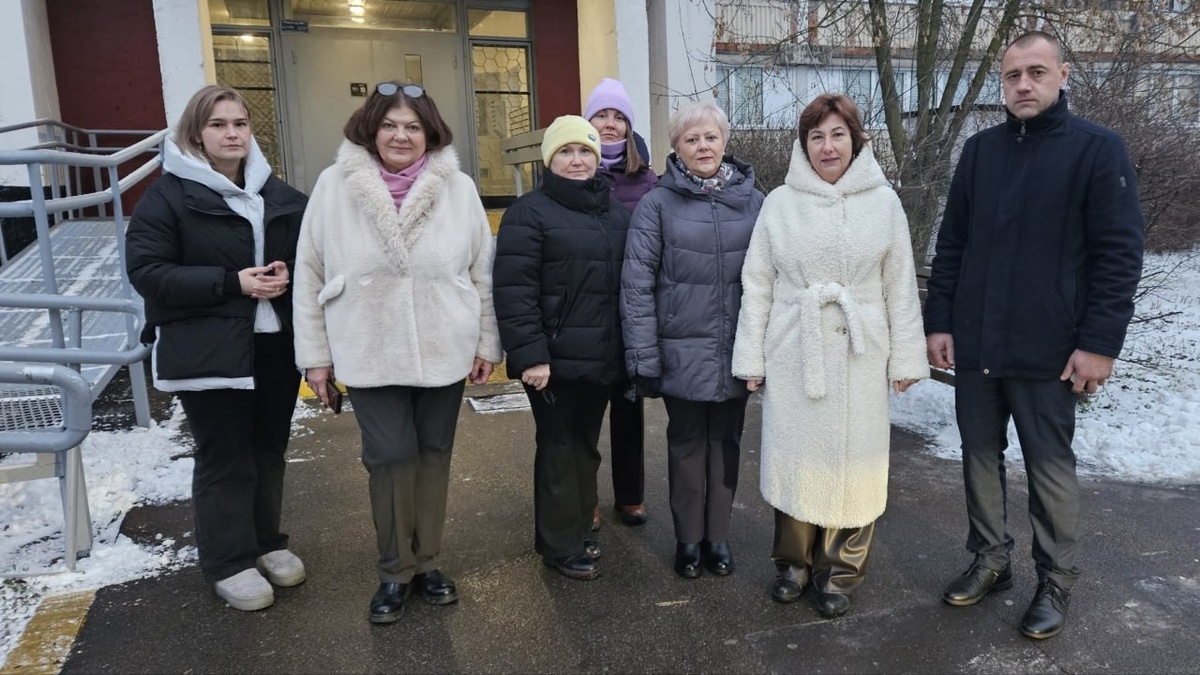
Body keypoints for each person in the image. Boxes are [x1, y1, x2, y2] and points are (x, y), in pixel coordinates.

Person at [925, 31, 1144, 639]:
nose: (1023, 84)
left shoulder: (1097, 150)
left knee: (1049, 467)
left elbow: (1119, 256)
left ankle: (1056, 579)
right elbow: (952, 245)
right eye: (1012, 75)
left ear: (1063, 75)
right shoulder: (980, 153)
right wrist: (939, 320)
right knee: (978, 456)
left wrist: (1099, 343)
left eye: (1036, 72)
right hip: (977, 341)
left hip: (1051, 348)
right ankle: (990, 559)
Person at [292, 82, 501, 624]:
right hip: (368, 344)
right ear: (371, 129)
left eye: (413, 126)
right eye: (389, 125)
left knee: (433, 455)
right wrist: (315, 356)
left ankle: (427, 561)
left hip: (444, 343)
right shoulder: (334, 185)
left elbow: (483, 270)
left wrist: (487, 341)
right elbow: (309, 272)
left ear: (430, 133)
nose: (401, 136)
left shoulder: (458, 187)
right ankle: (394, 569)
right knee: (389, 456)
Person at [730, 93, 928, 618]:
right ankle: (793, 565)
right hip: (796, 350)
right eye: (816, 136)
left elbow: (899, 286)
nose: (827, 146)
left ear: (856, 140)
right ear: (803, 145)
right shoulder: (780, 203)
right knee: (796, 459)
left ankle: (840, 572)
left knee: (856, 465)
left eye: (838, 134)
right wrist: (751, 358)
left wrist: (907, 359)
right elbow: (758, 284)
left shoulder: (884, 203)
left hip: (861, 354)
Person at [126, 85, 308, 612]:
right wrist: (232, 283)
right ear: (195, 134)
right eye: (218, 124)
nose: (232, 134)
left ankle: (265, 542)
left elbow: (313, 258)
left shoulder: (279, 195)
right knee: (224, 455)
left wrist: (290, 272)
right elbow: (148, 272)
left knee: (268, 449)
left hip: (273, 344)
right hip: (208, 349)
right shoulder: (168, 197)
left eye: (240, 123)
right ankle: (228, 561)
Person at [622, 99, 764, 579]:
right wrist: (644, 357)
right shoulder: (657, 204)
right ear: (676, 148)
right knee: (686, 445)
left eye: (710, 137)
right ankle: (687, 540)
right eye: (691, 139)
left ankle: (717, 536)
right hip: (679, 350)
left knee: (726, 444)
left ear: (725, 141)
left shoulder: (755, 202)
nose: (702, 146)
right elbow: (637, 285)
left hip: (736, 351)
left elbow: (772, 279)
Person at [493, 115, 630, 581]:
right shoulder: (528, 213)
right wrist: (531, 354)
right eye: (566, 152)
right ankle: (558, 544)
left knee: (585, 446)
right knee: (557, 447)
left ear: (597, 157)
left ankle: (579, 525)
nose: (576, 160)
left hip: (601, 356)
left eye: (585, 151)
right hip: (550, 361)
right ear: (549, 159)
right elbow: (514, 291)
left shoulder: (616, 215)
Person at [584, 77, 659, 528]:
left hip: (631, 312)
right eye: (601, 115)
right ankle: (586, 497)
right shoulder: (573, 168)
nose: (610, 124)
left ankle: (630, 495)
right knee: (587, 414)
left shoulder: (646, 180)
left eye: (619, 117)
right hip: (588, 315)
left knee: (629, 411)